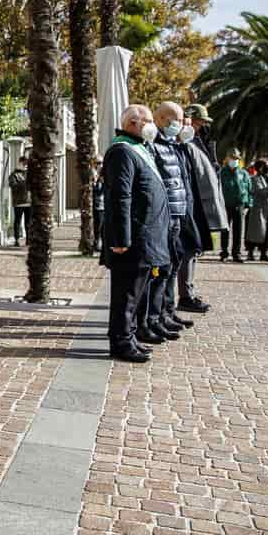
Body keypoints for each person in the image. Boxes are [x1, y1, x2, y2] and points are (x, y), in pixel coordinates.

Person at [101, 104, 170, 363]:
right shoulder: (121, 151)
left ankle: (129, 338)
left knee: (136, 294)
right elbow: (119, 197)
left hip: (147, 238)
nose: (153, 125)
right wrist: (120, 239)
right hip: (133, 240)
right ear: (133, 123)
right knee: (126, 296)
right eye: (149, 120)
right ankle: (120, 343)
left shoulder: (140, 149)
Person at [144, 101, 199, 344]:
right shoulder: (153, 147)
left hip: (179, 216)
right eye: (175, 120)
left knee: (172, 267)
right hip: (164, 218)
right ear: (161, 120)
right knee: (160, 271)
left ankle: (166, 313)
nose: (179, 125)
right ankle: (153, 319)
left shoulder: (173, 147)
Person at [176, 116, 226, 314]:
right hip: (188, 207)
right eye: (196, 122)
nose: (199, 127)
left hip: (197, 206)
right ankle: (183, 297)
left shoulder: (198, 144)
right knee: (187, 252)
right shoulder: (183, 146)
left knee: (193, 251)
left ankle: (186, 294)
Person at [219, 149, 252, 263]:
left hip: (239, 205)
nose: (234, 160)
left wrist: (248, 205)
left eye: (236, 159)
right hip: (225, 205)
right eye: (232, 158)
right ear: (227, 159)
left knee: (238, 231)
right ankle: (224, 253)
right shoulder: (221, 173)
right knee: (225, 230)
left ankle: (236, 254)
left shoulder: (244, 174)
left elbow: (249, 190)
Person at [245, 159, 268, 261]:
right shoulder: (254, 179)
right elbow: (262, 192)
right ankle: (250, 253)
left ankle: (264, 253)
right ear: (260, 167)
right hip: (258, 210)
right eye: (267, 166)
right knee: (255, 233)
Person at [184, 103, 219, 169]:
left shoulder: (203, 140)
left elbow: (213, 165)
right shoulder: (174, 140)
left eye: (201, 124)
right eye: (197, 123)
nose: (198, 128)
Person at [8, 157, 30, 246]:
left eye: (26, 164)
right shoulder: (14, 174)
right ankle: (16, 240)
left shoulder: (29, 174)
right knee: (17, 221)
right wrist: (24, 183)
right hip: (18, 202)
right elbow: (12, 185)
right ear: (19, 163)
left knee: (28, 222)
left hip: (29, 202)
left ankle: (28, 239)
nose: (25, 166)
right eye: (23, 163)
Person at [92, 157, 105, 256]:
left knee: (102, 227)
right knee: (98, 227)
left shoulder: (104, 174)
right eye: (98, 163)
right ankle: (97, 244)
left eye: (101, 163)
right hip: (96, 205)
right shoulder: (92, 174)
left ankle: (101, 245)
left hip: (104, 205)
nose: (100, 165)